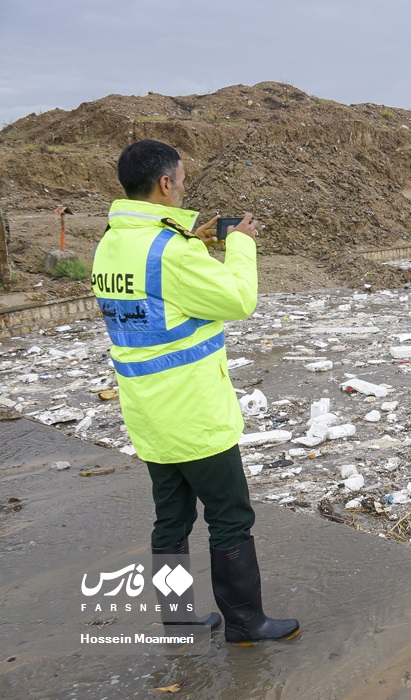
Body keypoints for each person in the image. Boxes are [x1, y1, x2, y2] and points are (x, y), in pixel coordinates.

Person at [92, 139, 299, 645]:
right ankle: (246, 623)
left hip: (148, 413)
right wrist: (241, 243)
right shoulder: (171, 251)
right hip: (195, 415)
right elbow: (237, 298)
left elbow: (159, 297)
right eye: (182, 179)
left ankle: (179, 621)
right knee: (230, 518)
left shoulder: (112, 244)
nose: (185, 186)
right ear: (165, 184)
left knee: (172, 521)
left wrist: (194, 242)